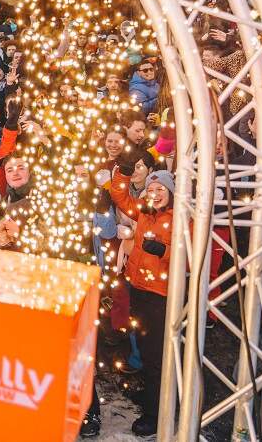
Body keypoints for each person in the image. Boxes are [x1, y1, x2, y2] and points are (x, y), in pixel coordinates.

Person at [109, 148, 175, 437]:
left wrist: (165, 251)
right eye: (152, 188)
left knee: (155, 354)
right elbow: (119, 196)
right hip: (138, 287)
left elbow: (193, 256)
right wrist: (122, 171)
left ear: (171, 193)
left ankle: (156, 412)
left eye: (161, 189)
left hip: (160, 295)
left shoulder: (180, 218)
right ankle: (151, 397)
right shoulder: (144, 212)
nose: (156, 193)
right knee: (145, 349)